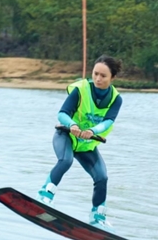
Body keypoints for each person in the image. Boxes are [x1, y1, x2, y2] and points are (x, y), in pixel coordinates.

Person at [36, 55, 123, 230]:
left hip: (86, 145)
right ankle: (45, 196)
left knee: (102, 177)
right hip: (66, 136)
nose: (98, 79)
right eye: (95, 73)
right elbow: (62, 114)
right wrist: (73, 125)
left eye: (103, 76)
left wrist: (92, 131)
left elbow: (108, 122)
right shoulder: (81, 89)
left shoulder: (116, 99)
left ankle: (97, 217)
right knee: (65, 161)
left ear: (112, 78)